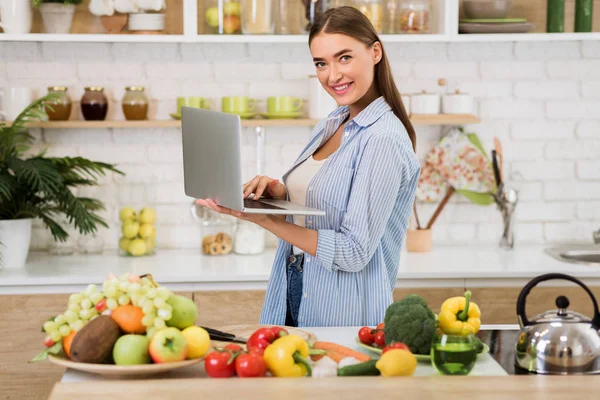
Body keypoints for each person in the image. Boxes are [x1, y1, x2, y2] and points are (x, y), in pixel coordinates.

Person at [195, 6, 421, 327]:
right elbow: (323, 203)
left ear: (374, 52)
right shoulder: (331, 123)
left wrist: (264, 220)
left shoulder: (383, 139)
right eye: (321, 63)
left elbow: (354, 252)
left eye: (344, 57)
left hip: (344, 310)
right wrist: (278, 193)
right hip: (295, 287)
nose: (333, 75)